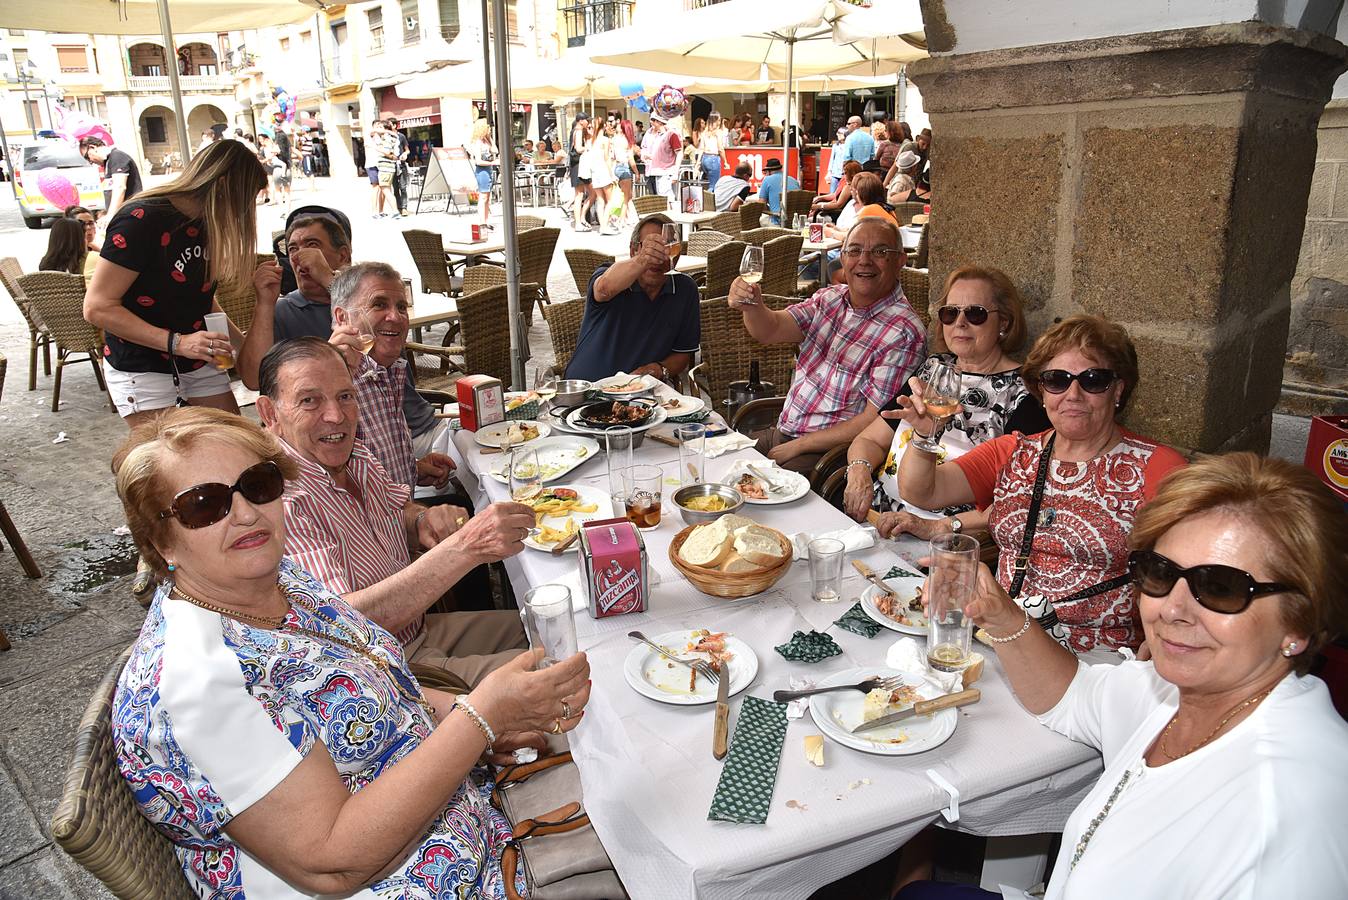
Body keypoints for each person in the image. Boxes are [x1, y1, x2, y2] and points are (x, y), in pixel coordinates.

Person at [111, 406, 590, 898]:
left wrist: (468, 719)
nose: (246, 512)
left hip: (475, 818)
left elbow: (366, 691)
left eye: (257, 484)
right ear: (159, 541)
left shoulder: (276, 582)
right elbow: (333, 864)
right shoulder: (198, 684)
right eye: (203, 505)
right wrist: (481, 717)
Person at [896, 452, 1348, 900]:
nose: (1172, 609)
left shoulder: (1290, 809)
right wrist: (1000, 614)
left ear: (1301, 622)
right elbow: (1073, 696)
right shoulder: (1174, 692)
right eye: (1160, 572)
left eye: (1220, 588)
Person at [898, 315, 1187, 652]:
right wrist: (924, 433)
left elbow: (1190, 571)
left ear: (1118, 390)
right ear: (1042, 390)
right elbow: (922, 491)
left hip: (1098, 656)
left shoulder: (1158, 468)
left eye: (1093, 380)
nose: (1073, 394)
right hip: (1004, 639)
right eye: (1057, 380)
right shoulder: (1013, 452)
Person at [257, 338, 532, 686]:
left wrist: (420, 519)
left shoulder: (356, 455)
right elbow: (343, 624)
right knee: (558, 668)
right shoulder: (280, 501)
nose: (336, 415)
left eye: (345, 396)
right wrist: (466, 547)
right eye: (309, 400)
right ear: (270, 413)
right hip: (382, 675)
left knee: (548, 623)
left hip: (418, 631)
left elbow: (398, 510)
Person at [843, 266, 1048, 539]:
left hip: (940, 538)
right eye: (950, 313)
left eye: (975, 314)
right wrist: (859, 471)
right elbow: (869, 439)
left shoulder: (1023, 395)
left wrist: (937, 528)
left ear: (1004, 323)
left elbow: (1016, 502)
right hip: (875, 516)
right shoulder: (934, 369)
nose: (960, 323)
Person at [84, 139, 267, 428]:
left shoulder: (209, 222)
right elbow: (97, 308)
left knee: (237, 447)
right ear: (221, 187)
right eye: (245, 201)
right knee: (167, 463)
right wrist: (178, 343)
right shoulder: (141, 220)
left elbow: (200, 297)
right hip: (142, 367)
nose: (245, 213)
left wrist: (241, 346)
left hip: (197, 360)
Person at [728, 217, 925, 474]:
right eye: (854, 250)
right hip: (784, 433)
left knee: (754, 496)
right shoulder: (829, 299)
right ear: (842, 258)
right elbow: (770, 329)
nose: (864, 260)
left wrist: (800, 445)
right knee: (711, 463)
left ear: (900, 261)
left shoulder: (904, 332)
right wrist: (752, 305)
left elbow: (873, 420)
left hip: (827, 456)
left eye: (879, 251)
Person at [564, 214, 700, 384]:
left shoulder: (685, 289)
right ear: (633, 250)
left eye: (666, 247)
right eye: (650, 247)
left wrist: (659, 369)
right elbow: (603, 289)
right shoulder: (612, 275)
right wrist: (643, 260)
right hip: (587, 389)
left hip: (640, 394)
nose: (659, 257)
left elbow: (682, 353)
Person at [79, 136, 142, 220]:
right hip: (123, 215)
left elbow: (120, 187)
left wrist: (110, 216)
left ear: (92, 147)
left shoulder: (117, 157)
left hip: (131, 214)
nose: (91, 162)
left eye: (87, 157)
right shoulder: (108, 163)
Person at [640, 113, 682, 203]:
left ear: (660, 121)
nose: (651, 122)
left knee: (666, 200)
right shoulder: (648, 132)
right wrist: (643, 155)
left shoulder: (671, 134)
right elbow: (643, 148)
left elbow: (679, 153)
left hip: (665, 173)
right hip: (650, 171)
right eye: (651, 119)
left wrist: (676, 173)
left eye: (653, 120)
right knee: (654, 202)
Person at [753, 157, 800, 226]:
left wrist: (770, 210)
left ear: (769, 171)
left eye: (765, 172)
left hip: (778, 221)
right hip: (795, 221)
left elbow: (761, 204)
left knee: (759, 221)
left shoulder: (767, 180)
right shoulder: (794, 180)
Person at [569, 114, 595, 231]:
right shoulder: (578, 131)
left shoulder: (576, 130)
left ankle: (581, 219)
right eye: (586, 120)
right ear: (580, 121)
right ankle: (579, 222)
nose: (587, 122)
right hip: (579, 166)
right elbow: (579, 149)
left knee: (585, 194)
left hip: (577, 166)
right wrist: (589, 148)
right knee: (580, 194)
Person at [613, 118, 638, 228]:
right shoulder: (628, 142)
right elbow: (631, 160)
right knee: (626, 197)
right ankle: (622, 220)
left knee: (620, 195)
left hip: (615, 167)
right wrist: (637, 172)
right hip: (624, 167)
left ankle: (624, 217)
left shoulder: (614, 139)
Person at [386, 116, 411, 217]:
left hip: (401, 165)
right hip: (391, 165)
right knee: (395, 188)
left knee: (403, 187)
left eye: (389, 125)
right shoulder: (386, 137)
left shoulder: (401, 136)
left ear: (395, 125)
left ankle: (404, 207)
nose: (387, 127)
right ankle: (399, 207)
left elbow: (407, 149)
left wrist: (405, 154)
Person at [698, 112, 729, 191]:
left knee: (710, 183)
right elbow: (720, 148)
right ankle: (710, 202)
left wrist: (698, 162)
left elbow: (701, 148)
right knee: (714, 185)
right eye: (719, 120)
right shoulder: (718, 132)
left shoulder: (704, 132)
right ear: (716, 121)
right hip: (713, 159)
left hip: (704, 158)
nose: (719, 122)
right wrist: (725, 161)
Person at [825, 127, 848, 193]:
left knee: (842, 193)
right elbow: (832, 159)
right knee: (832, 192)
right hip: (835, 173)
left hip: (844, 173)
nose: (837, 135)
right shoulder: (835, 146)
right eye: (837, 133)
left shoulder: (848, 145)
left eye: (840, 133)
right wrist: (829, 172)